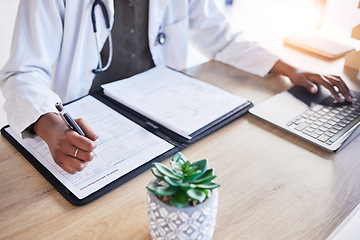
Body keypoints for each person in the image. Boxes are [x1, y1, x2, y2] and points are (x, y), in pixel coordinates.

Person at [0, 0, 352, 174]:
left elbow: (220, 34)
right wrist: (51, 126)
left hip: (162, 114)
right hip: (91, 123)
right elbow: (22, 72)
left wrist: (290, 68)